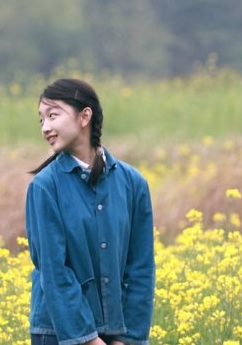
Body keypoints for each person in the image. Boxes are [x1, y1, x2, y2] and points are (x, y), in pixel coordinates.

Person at [25, 79, 154, 345]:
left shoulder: (133, 183)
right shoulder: (45, 187)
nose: (45, 127)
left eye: (52, 115)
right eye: (41, 120)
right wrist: (89, 340)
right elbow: (54, 271)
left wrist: (126, 339)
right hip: (61, 334)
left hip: (118, 333)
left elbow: (140, 268)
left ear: (85, 116)